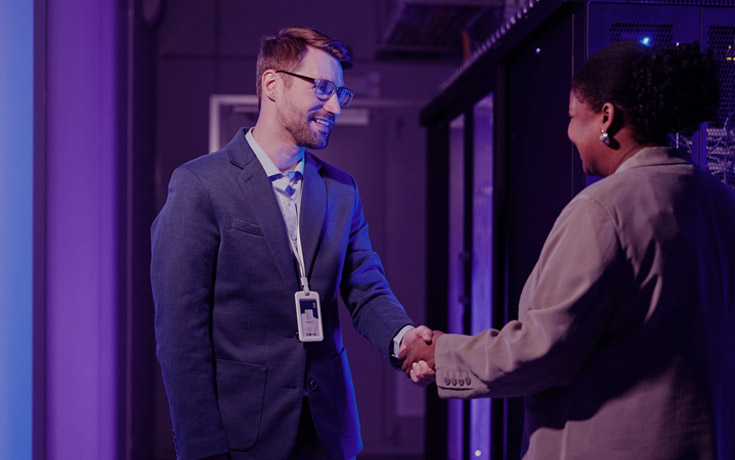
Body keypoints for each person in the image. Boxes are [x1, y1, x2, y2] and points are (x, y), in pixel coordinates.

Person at [401, 41, 735, 459]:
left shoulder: (603, 208)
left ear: (607, 118)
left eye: (574, 118)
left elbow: (544, 350)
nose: (568, 133)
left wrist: (443, 352)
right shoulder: (720, 199)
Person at [151, 27, 432, 460]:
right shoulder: (200, 185)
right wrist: (202, 449)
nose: (335, 106)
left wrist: (405, 338)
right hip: (240, 438)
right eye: (322, 87)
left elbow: (366, 289)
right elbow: (179, 335)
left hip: (328, 433)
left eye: (341, 92)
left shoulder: (342, 191)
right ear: (272, 85)